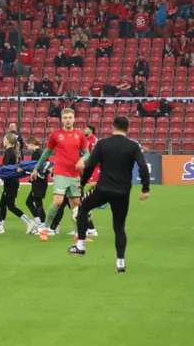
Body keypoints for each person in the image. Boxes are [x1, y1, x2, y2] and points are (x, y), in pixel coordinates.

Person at [68, 115, 150, 273]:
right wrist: (145, 188)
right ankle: (120, 262)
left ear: (113, 127)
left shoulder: (103, 143)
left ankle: (81, 245)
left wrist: (83, 182)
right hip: (123, 192)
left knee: (83, 207)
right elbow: (143, 166)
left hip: (103, 188)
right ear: (128, 128)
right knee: (119, 227)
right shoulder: (133, 145)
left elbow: (90, 164)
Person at [31, 108, 89, 241]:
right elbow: (46, 153)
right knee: (58, 202)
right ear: (61, 119)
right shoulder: (56, 135)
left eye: (70, 117)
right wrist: (36, 168)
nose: (68, 120)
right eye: (65, 118)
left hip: (74, 175)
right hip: (60, 173)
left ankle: (77, 235)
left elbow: (87, 153)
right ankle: (45, 229)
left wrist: (82, 159)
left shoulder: (79, 135)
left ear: (74, 119)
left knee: (75, 204)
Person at [0, 132, 34, 234]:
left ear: (9, 141)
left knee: (10, 206)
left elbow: (6, 165)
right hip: (11, 181)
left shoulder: (9, 152)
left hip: (10, 181)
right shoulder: (13, 152)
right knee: (3, 204)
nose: (3, 141)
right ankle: (0, 226)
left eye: (4, 139)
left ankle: (29, 222)